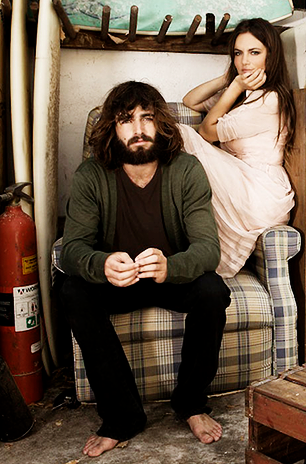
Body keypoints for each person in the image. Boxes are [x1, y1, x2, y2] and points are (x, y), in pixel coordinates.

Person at [59, 81, 231, 457]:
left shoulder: (186, 170)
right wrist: (102, 264)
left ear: (160, 124)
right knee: (72, 291)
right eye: (126, 120)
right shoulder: (91, 175)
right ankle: (122, 417)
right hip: (117, 281)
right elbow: (71, 250)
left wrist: (170, 267)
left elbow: (208, 249)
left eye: (147, 118)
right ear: (112, 128)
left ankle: (191, 403)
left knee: (212, 290)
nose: (138, 129)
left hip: (168, 276)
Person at [182, 17, 296, 278]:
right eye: (238, 53)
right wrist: (229, 79)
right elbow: (191, 100)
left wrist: (234, 86)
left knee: (181, 134)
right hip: (241, 182)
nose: (245, 61)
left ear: (271, 56)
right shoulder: (243, 95)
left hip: (261, 193)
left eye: (254, 53)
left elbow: (206, 133)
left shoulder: (270, 100)